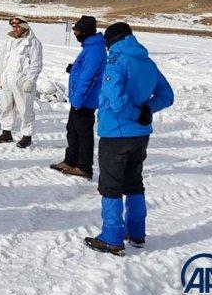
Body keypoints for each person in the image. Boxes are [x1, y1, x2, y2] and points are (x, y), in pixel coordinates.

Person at [84, 22, 173, 255]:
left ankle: (112, 238)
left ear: (113, 41)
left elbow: (114, 98)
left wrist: (136, 113)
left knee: (110, 186)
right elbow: (167, 95)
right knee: (134, 182)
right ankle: (136, 233)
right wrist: (147, 110)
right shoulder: (147, 62)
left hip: (116, 133)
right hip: (140, 135)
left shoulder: (116, 60)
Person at [50, 16, 106, 179]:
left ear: (86, 32)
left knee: (83, 134)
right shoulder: (90, 47)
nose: (75, 33)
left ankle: (84, 167)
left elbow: (89, 78)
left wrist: (79, 101)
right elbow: (84, 70)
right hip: (79, 99)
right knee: (72, 131)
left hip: (84, 101)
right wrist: (73, 69)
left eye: (77, 30)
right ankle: (70, 161)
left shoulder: (95, 50)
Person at [0, 16, 42, 148]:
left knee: (25, 109)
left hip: (22, 82)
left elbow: (36, 64)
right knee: (6, 106)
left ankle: (27, 136)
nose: (15, 28)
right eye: (13, 26)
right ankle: (6, 132)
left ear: (24, 26)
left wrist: (31, 80)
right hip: (7, 79)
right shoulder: (9, 40)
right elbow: (2, 60)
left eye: (17, 26)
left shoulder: (32, 42)